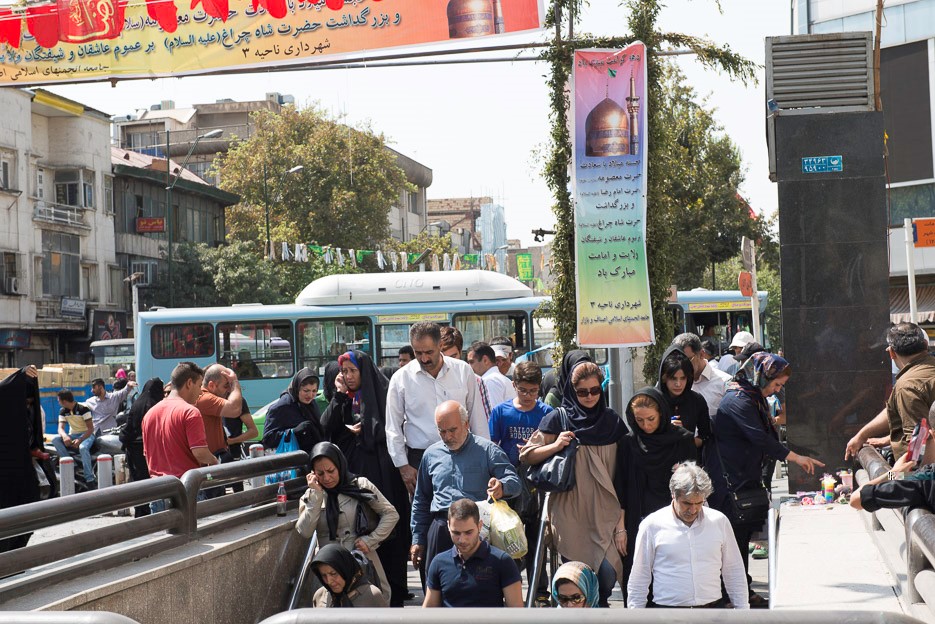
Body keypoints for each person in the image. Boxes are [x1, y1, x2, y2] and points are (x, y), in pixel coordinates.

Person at [705, 351, 824, 607]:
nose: (776, 390)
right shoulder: (739, 399)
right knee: (733, 542)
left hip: (743, 477)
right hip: (730, 482)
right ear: (762, 375)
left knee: (741, 539)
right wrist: (796, 458)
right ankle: (731, 596)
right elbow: (760, 438)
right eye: (776, 384)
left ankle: (741, 592)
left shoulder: (751, 397)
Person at [520, 351, 628, 607]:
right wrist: (556, 444)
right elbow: (527, 456)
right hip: (571, 512)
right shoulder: (558, 418)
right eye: (582, 392)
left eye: (595, 391)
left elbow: (625, 470)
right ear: (570, 388)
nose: (590, 397)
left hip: (606, 512)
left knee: (606, 575)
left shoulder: (612, 420)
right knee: (577, 583)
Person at [320, 350, 411, 607]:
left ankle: (392, 596)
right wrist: (339, 397)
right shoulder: (344, 399)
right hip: (353, 485)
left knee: (387, 534)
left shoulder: (383, 393)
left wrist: (367, 430)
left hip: (383, 477)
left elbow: (388, 429)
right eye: (344, 372)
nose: (348, 376)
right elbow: (326, 427)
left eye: (352, 371)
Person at [410, 401, 520, 578]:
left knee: (478, 588)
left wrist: (501, 487)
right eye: (442, 431)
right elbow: (421, 500)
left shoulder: (487, 450)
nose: (447, 436)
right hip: (441, 528)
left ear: (466, 424)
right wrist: (418, 539)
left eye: (452, 430)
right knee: (436, 586)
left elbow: (514, 482)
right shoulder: (431, 455)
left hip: (477, 530)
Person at [386, 322, 488, 497]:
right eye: (418, 353)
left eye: (429, 352)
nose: (424, 358)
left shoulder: (463, 371)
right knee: (424, 518)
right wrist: (403, 467)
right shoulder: (400, 378)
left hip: (463, 455)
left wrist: (485, 459)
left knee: (464, 515)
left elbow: (477, 417)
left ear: (440, 345)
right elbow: (393, 427)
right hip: (420, 461)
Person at [627, 463, 749, 609]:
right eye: (687, 503)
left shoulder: (719, 521)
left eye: (699, 503)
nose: (693, 509)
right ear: (673, 495)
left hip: (713, 610)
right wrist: (634, 614)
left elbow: (734, 570)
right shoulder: (652, 525)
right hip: (668, 612)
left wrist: (743, 610)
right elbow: (639, 576)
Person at [616, 388, 696, 593]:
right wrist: (621, 529)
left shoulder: (682, 439)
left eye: (651, 418)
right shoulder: (628, 442)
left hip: (675, 522)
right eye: (640, 420)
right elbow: (621, 488)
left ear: (662, 413)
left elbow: (693, 486)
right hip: (637, 521)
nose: (646, 425)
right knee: (638, 579)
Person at [296, 442, 399, 599]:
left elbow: (390, 514)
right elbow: (305, 531)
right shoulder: (311, 495)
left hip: (359, 561)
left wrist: (370, 540)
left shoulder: (359, 485)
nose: (327, 478)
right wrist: (316, 496)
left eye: (331, 471)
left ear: (340, 465)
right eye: (320, 473)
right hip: (328, 569)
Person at [488, 360, 552, 583]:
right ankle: (509, 584)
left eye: (533, 391)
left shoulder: (547, 412)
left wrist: (535, 450)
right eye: (523, 390)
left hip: (536, 481)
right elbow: (493, 446)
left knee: (536, 538)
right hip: (509, 480)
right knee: (506, 536)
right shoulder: (501, 412)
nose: (528, 395)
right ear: (513, 385)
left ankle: (539, 587)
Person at [846, 323, 935, 461]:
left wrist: (894, 478)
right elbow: (897, 409)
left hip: (917, 475)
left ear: (891, 352)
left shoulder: (907, 386)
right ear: (925, 345)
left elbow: (921, 443)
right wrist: (864, 435)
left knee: (878, 482)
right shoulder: (915, 380)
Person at [142, 362, 219, 513]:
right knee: (194, 536)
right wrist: (215, 461)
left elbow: (148, 456)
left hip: (157, 491)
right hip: (185, 490)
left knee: (163, 537)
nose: (200, 393)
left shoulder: (150, 414)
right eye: (199, 386)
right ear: (189, 383)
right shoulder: (190, 412)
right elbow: (200, 453)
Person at [423, 498, 523, 608]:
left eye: (468, 532)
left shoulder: (502, 561)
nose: (462, 540)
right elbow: (429, 611)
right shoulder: (439, 563)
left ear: (480, 526)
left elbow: (517, 612)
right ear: (448, 526)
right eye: (456, 533)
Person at [0, 366, 42, 554]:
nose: (27, 407)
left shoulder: (26, 414)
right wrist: (20, 375)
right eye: (24, 403)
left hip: (20, 472)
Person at [121, 377, 164, 517]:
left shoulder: (137, 404)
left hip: (134, 452)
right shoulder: (155, 405)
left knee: (139, 483)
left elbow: (127, 430)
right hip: (150, 451)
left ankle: (141, 512)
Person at [656, 346, 710, 451]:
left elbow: (705, 435)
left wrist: (686, 439)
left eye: (683, 378)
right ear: (664, 378)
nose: (678, 384)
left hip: (687, 463)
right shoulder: (653, 401)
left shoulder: (696, 401)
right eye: (673, 378)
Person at [263, 367, 324, 455]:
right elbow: (268, 439)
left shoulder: (312, 404)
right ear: (297, 388)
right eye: (306, 391)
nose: (310, 395)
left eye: (314, 391)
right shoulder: (283, 406)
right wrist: (293, 432)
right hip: (292, 461)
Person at [672, 333, 731, 418]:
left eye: (687, 360)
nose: (682, 365)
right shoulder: (670, 382)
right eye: (677, 360)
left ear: (702, 354)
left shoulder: (724, 383)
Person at [311, 544, 388, 608]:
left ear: (345, 569)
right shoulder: (320, 596)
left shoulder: (372, 595)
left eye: (333, 574)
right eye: (323, 575)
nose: (329, 581)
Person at [52, 390, 97, 488]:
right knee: (55, 439)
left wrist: (80, 440)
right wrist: (65, 436)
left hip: (87, 435)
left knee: (83, 448)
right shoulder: (63, 411)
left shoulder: (83, 409)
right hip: (74, 434)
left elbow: (90, 429)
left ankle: (89, 478)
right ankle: (72, 464)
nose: (58, 402)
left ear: (64, 401)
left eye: (59, 400)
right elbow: (60, 428)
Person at [471, 342, 517, 407]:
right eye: (497, 360)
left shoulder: (490, 381)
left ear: (485, 360)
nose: (500, 363)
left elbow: (494, 413)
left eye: (471, 362)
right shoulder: (495, 379)